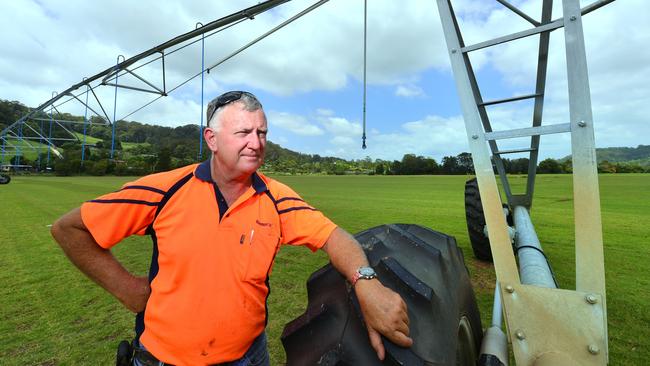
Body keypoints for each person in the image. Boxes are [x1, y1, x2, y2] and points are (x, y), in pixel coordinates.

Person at [51, 91, 412, 365]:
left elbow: (335, 237)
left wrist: (367, 283)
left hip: (249, 357)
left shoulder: (276, 197)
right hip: (164, 359)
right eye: (243, 132)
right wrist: (127, 289)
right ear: (211, 139)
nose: (256, 143)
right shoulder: (166, 189)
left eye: (262, 133)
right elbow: (69, 229)